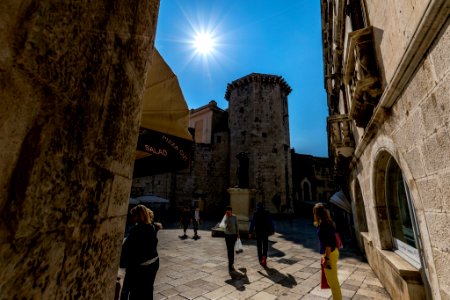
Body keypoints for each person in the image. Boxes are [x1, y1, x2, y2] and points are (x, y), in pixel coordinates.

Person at [120, 205, 162, 300]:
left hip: (141, 266)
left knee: (135, 292)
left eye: (133, 215)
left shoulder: (137, 229)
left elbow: (127, 247)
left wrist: (124, 263)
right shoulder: (152, 227)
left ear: (138, 216)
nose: (131, 217)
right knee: (148, 289)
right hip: (154, 262)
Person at [313, 203, 342, 300]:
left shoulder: (324, 225)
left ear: (316, 213)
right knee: (333, 281)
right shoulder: (327, 222)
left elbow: (328, 245)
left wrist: (326, 258)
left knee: (333, 283)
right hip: (333, 253)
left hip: (329, 254)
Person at [248, 202, 274, 267]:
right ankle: (264, 257)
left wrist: (250, 232)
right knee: (265, 245)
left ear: (257, 207)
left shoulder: (255, 213)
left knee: (259, 246)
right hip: (265, 232)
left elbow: (252, 223)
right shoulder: (267, 212)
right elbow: (270, 221)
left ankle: (260, 260)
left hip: (258, 232)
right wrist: (272, 230)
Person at [224, 206, 240, 271]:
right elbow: (223, 226)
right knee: (229, 249)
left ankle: (231, 263)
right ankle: (230, 263)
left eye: (229, 212)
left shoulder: (234, 217)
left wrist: (238, 234)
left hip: (233, 235)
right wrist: (226, 218)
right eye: (227, 212)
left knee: (231, 249)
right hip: (227, 235)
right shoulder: (225, 217)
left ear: (231, 211)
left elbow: (237, 226)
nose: (228, 213)